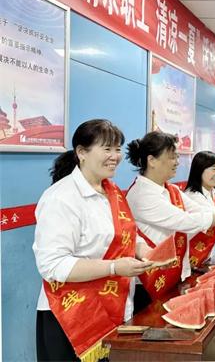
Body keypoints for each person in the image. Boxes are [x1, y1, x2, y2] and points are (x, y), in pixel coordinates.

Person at [33, 119, 154, 361]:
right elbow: (52, 265)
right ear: (81, 152)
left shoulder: (111, 191)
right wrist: (114, 267)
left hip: (112, 308)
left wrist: (143, 250)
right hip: (71, 318)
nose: (115, 156)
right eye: (107, 148)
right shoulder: (61, 198)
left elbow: (125, 234)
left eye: (117, 149)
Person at [125, 132, 215, 305]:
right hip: (149, 281)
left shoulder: (170, 189)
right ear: (152, 160)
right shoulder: (142, 195)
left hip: (173, 272)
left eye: (177, 156)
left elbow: (202, 210)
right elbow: (186, 221)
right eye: (172, 157)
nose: (177, 162)